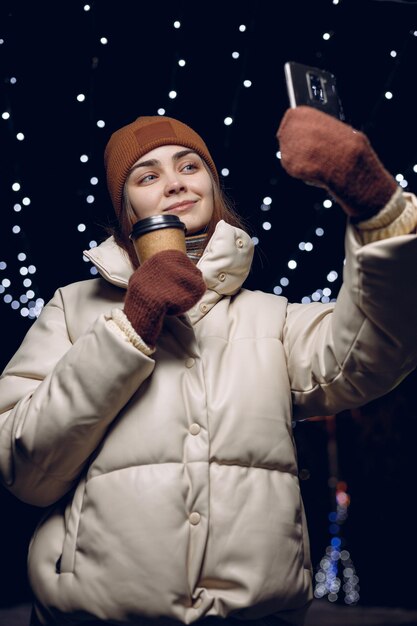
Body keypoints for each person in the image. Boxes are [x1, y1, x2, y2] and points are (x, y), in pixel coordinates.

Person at [0, 108, 416, 626]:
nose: (174, 183)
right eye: (147, 176)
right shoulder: (71, 308)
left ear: (214, 187)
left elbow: (379, 349)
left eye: (189, 166)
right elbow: (25, 470)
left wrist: (379, 210)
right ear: (125, 207)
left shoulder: (273, 318)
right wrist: (134, 322)